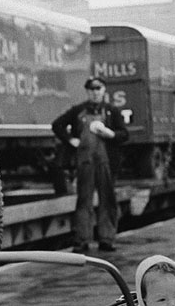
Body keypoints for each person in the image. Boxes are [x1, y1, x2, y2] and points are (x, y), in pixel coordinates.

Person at [51, 76, 128, 253]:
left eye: (98, 89)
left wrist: (111, 134)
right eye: (91, 90)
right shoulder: (78, 111)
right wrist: (71, 140)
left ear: (103, 90)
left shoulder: (112, 112)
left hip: (106, 163)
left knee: (107, 200)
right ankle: (82, 240)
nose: (95, 92)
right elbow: (57, 125)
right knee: (84, 201)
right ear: (87, 92)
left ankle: (106, 239)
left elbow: (125, 135)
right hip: (84, 163)